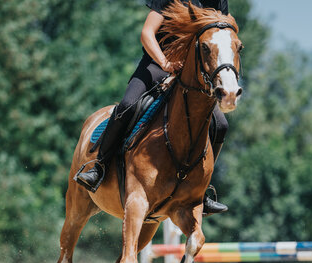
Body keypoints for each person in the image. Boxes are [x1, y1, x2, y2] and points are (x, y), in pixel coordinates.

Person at [76, 0, 230, 215]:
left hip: (192, 76)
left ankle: (201, 189)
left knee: (221, 124)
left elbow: (220, 37)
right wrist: (166, 64)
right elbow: (147, 33)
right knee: (128, 106)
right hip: (157, 65)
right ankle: (99, 167)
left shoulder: (218, 1)